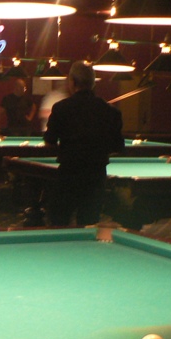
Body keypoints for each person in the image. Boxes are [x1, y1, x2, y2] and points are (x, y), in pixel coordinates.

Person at [44, 61, 124, 227]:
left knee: (58, 221)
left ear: (72, 82)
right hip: (96, 176)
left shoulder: (60, 108)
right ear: (93, 83)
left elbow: (50, 141)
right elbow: (118, 146)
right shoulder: (111, 112)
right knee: (89, 223)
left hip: (69, 174)